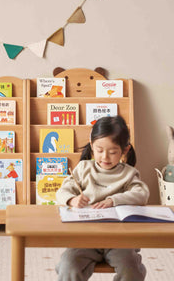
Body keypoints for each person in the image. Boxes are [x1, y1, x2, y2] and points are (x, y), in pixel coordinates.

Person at [55, 116, 150, 281]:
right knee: (68, 265)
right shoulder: (84, 168)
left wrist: (114, 200)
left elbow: (142, 194)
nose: (105, 157)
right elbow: (62, 191)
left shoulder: (128, 173)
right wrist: (72, 200)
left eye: (112, 152)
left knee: (131, 268)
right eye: (99, 150)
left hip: (120, 240)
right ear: (92, 146)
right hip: (86, 238)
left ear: (125, 150)